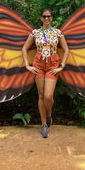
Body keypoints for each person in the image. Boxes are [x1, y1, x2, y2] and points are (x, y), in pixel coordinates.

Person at [22, 8, 69, 138]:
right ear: (41, 18)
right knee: (41, 95)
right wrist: (27, 65)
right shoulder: (35, 33)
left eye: (49, 16)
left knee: (48, 96)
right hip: (39, 64)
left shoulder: (57, 33)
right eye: (44, 16)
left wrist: (62, 66)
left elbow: (66, 50)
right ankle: (44, 125)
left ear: (52, 18)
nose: (46, 18)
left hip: (52, 64)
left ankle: (48, 115)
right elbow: (25, 48)